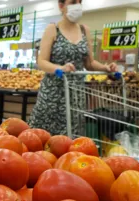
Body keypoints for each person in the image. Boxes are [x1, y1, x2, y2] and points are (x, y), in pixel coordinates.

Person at [29, 0, 117, 135]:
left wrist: (106, 68)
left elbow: (90, 63)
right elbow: (41, 61)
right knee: (45, 137)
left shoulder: (84, 30)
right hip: (53, 94)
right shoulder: (52, 29)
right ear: (61, 5)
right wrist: (60, 68)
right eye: (73, 2)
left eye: (80, 2)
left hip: (75, 94)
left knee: (71, 136)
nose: (77, 5)